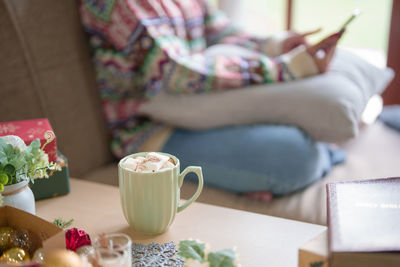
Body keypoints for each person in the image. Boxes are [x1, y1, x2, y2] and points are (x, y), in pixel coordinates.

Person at [80, 0, 344, 200]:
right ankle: (308, 161)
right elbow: (176, 72)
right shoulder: (115, 5)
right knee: (294, 155)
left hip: (206, 106)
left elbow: (218, 30)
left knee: (302, 125)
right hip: (151, 132)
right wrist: (286, 69)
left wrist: (273, 46)